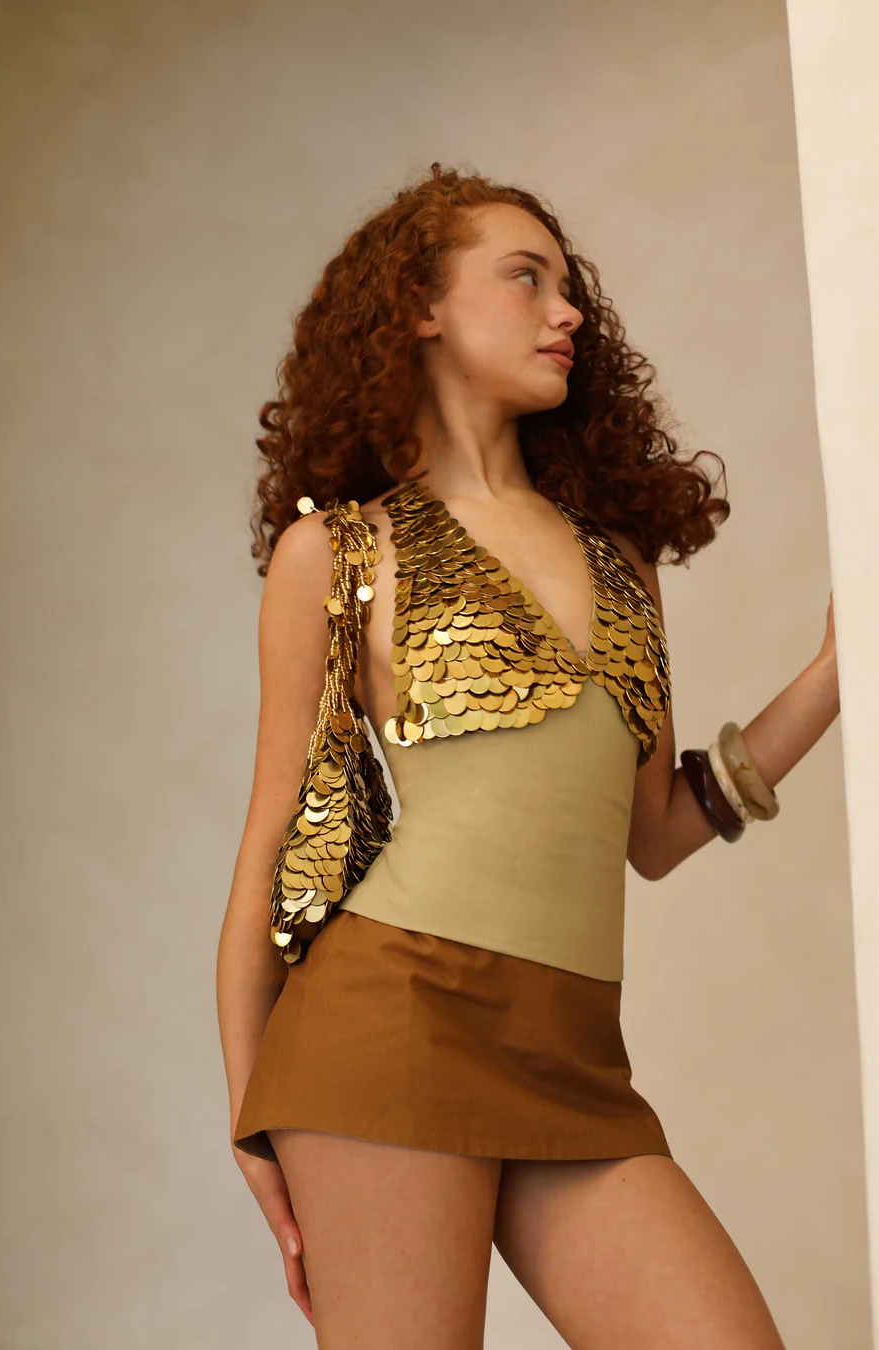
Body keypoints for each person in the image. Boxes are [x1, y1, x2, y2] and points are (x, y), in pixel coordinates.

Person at [216, 162, 839, 1349]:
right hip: (387, 1028)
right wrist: (251, 1121)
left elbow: (655, 834)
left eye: (569, 287)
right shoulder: (340, 554)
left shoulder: (620, 557)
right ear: (420, 307)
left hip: (574, 1053)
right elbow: (263, 863)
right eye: (528, 279)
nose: (570, 312)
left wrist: (834, 674)